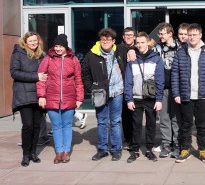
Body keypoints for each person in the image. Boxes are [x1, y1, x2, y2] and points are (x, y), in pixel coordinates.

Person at [171, 23, 205, 163]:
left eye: (194, 35)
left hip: (202, 95)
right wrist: (176, 93)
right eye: (189, 35)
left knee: (202, 125)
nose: (191, 37)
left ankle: (202, 150)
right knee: (186, 124)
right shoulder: (181, 51)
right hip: (186, 95)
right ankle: (185, 149)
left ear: (200, 35)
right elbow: (175, 74)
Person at [36, 34, 84, 164]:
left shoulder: (73, 60)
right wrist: (41, 96)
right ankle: (59, 152)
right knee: (56, 127)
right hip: (51, 98)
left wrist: (79, 97)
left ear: (65, 47)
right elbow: (41, 79)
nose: (58, 49)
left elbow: (79, 80)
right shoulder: (48, 59)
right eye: (56, 46)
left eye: (60, 46)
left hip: (69, 98)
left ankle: (66, 152)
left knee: (67, 126)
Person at [82, 28, 125, 162]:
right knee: (101, 122)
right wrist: (92, 88)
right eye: (103, 39)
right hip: (100, 93)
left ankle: (117, 149)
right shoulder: (91, 55)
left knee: (116, 121)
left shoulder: (120, 51)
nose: (105, 42)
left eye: (108, 39)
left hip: (117, 91)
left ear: (113, 41)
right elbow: (85, 74)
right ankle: (102, 149)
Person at [124, 32, 165, 163]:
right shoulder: (132, 59)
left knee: (151, 125)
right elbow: (128, 81)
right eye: (138, 43)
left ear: (148, 42)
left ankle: (149, 150)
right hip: (136, 98)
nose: (140, 45)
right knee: (136, 125)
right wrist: (129, 99)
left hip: (151, 98)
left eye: (143, 42)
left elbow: (160, 80)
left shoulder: (156, 58)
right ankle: (135, 150)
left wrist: (159, 99)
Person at [10, 32, 46, 167]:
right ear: (25, 42)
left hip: (39, 95)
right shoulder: (18, 53)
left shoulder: (42, 55)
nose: (33, 43)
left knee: (38, 125)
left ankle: (33, 152)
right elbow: (14, 72)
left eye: (35, 41)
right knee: (28, 125)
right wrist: (36, 77)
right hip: (23, 95)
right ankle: (25, 154)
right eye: (30, 41)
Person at [153, 22, 181, 158]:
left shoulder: (180, 47)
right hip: (162, 88)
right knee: (164, 118)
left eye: (162, 33)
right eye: (159, 33)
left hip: (177, 89)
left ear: (170, 33)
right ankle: (166, 144)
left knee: (176, 119)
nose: (160, 36)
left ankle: (176, 144)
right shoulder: (156, 48)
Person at [116, 27, 136, 150]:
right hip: (122, 86)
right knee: (126, 115)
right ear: (123, 36)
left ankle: (136, 138)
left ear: (134, 36)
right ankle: (128, 138)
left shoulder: (139, 47)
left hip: (137, 86)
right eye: (126, 35)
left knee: (136, 115)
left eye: (131, 35)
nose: (128, 36)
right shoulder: (117, 49)